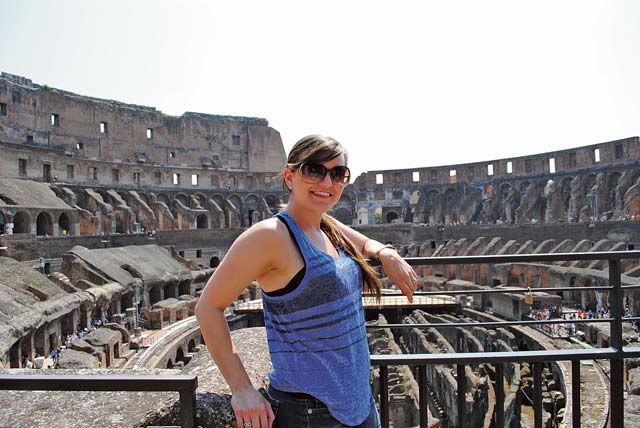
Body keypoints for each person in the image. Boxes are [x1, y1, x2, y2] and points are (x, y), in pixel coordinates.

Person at [195, 135, 418, 428]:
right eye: (314, 170)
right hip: (310, 411)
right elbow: (208, 307)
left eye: (337, 173)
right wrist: (242, 388)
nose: (327, 182)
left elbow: (366, 244)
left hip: (359, 402)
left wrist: (386, 253)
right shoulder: (269, 235)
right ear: (289, 177)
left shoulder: (327, 225)